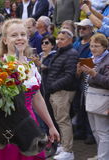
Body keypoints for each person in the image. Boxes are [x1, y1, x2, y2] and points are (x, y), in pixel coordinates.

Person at [0, 18, 60, 160]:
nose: (19, 38)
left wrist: (50, 125)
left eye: (23, 34)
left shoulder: (31, 64)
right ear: (5, 40)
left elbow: (37, 98)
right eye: (14, 35)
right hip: (9, 127)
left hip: (30, 123)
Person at [47, 29, 79, 160]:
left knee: (63, 121)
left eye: (62, 39)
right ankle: (62, 144)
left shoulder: (72, 53)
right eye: (58, 39)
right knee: (59, 120)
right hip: (56, 92)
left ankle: (68, 150)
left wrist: (53, 87)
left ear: (70, 40)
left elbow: (69, 75)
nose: (58, 41)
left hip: (62, 92)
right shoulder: (61, 52)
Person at [78, 33, 109, 160]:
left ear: (105, 47)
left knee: (103, 132)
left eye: (96, 46)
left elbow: (107, 82)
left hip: (102, 98)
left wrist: (93, 73)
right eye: (91, 46)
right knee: (95, 130)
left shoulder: (107, 60)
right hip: (90, 97)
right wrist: (80, 71)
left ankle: (104, 157)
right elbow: (86, 80)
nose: (93, 49)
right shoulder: (92, 58)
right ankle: (101, 154)